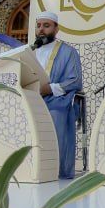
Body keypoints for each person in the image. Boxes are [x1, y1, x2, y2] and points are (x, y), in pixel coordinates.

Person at [33, 10, 83, 179]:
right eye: (39, 26)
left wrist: (50, 89)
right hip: (32, 99)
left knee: (55, 115)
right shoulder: (29, 52)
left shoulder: (68, 52)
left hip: (57, 101)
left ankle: (57, 172)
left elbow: (75, 80)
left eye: (46, 26)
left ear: (56, 29)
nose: (41, 29)